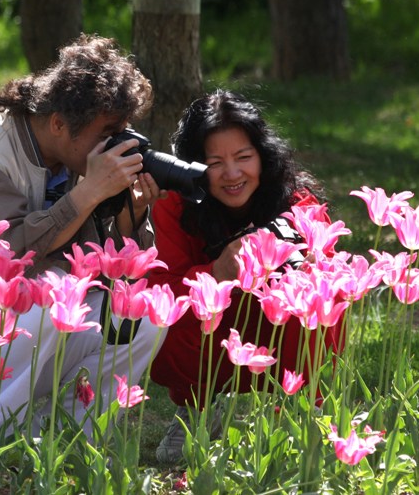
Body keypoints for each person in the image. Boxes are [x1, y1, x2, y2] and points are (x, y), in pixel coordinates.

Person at [0, 33, 165, 435]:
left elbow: (113, 272)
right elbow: (10, 258)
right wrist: (87, 194)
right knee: (52, 300)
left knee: (142, 319)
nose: (116, 144)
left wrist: (132, 217)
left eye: (122, 130)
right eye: (107, 132)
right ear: (58, 123)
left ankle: (69, 441)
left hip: (39, 321)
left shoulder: (78, 157)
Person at [146, 89, 341, 464]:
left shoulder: (297, 204)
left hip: (278, 335)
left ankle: (300, 406)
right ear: (193, 166)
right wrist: (217, 272)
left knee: (311, 299)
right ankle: (198, 407)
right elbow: (163, 293)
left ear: (263, 157)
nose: (232, 174)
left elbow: (332, 280)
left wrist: (284, 264)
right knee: (157, 316)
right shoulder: (174, 206)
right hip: (211, 338)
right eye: (215, 162)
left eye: (243, 157)